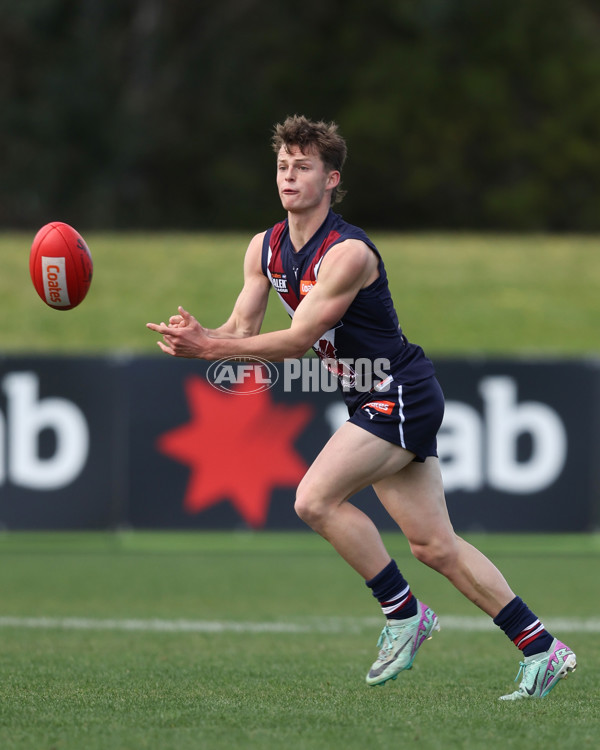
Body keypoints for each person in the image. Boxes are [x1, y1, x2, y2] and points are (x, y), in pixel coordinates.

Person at [147, 115, 577, 700]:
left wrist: (213, 346)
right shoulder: (264, 248)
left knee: (314, 498)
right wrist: (202, 337)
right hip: (373, 395)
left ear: (331, 179)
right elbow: (244, 332)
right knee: (434, 546)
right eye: (282, 165)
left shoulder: (346, 253)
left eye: (304, 166)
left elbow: (296, 341)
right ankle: (542, 649)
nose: (290, 176)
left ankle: (404, 615)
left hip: (399, 391)